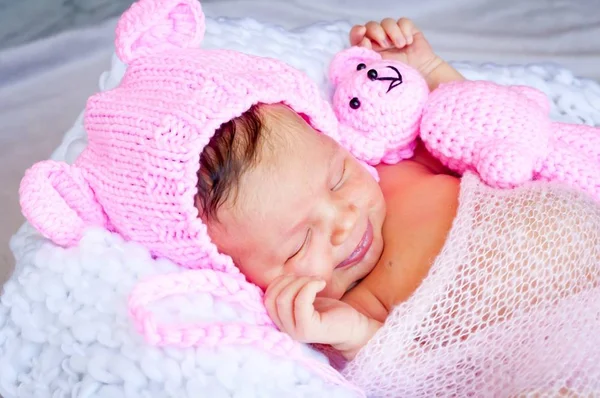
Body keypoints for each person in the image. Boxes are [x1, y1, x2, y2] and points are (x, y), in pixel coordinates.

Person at [201, 18, 469, 360]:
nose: (345, 219)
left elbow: (483, 136)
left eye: (338, 179)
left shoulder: (398, 171)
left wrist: (429, 69)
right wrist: (354, 333)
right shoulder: (349, 315)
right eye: (299, 244)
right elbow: (421, 374)